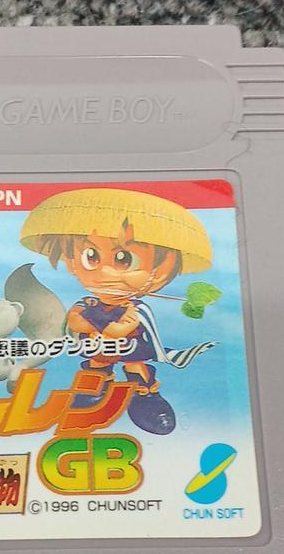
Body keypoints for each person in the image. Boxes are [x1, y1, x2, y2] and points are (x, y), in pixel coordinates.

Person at [20, 186, 214, 434]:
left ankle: (145, 396)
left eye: (124, 260)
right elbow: (75, 322)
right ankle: (94, 390)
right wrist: (95, 326)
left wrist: (104, 328)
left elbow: (123, 327)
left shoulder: (135, 308)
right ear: (71, 263)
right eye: (91, 256)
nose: (105, 272)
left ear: (159, 272)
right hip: (99, 347)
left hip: (130, 347)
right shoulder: (88, 303)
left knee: (135, 367)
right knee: (97, 364)